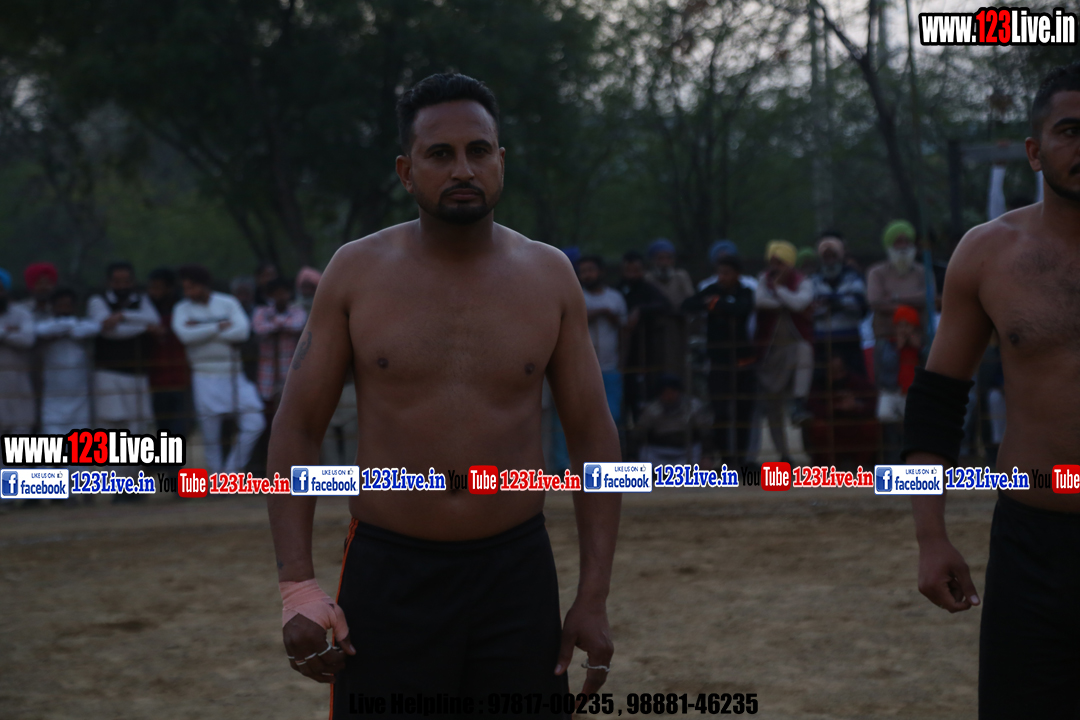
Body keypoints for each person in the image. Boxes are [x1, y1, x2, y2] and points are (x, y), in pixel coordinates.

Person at [266, 73, 620, 717]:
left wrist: (593, 596)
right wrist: (298, 588)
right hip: (390, 573)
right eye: (440, 153)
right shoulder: (355, 272)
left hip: (515, 574)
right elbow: (297, 428)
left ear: (500, 161)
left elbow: (594, 439)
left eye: (478, 151)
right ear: (407, 171)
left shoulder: (549, 276)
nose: (463, 169)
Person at [906, 62, 1080, 718]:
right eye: (1070, 131)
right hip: (1032, 544)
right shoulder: (988, 255)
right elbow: (936, 403)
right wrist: (930, 536)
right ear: (1035, 151)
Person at [172, 264, 265, 474]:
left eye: (191, 287)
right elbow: (185, 336)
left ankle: (230, 473)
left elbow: (242, 332)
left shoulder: (228, 303)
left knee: (255, 421)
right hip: (203, 374)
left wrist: (199, 329)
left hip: (233, 372)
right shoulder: (182, 308)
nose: (188, 292)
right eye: (185, 288)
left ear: (203, 285)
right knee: (210, 434)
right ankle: (216, 478)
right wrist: (218, 326)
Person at [682, 253, 755, 467]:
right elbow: (688, 304)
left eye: (726, 273)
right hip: (718, 362)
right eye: (719, 273)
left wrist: (715, 304)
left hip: (743, 362)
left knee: (743, 414)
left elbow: (741, 309)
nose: (721, 277)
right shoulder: (712, 289)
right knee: (720, 412)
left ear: (737, 274)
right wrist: (717, 303)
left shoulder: (746, 292)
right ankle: (726, 459)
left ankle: (741, 460)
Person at [754, 240, 814, 462]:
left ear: (790, 264)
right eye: (772, 262)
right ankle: (783, 454)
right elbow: (760, 301)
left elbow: (800, 304)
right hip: (770, 354)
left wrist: (778, 289)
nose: (775, 267)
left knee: (804, 350)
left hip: (794, 349)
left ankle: (799, 403)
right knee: (773, 407)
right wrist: (785, 300)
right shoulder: (763, 279)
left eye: (780, 262)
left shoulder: (802, 281)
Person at [87, 262, 160, 435]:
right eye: (117, 281)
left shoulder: (142, 300)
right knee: (109, 424)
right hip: (107, 373)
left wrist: (122, 316)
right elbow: (109, 331)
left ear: (133, 282)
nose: (122, 286)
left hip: (137, 374)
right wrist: (144, 327)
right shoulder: (97, 301)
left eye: (126, 281)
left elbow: (154, 320)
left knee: (138, 426)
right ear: (109, 282)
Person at [35, 288, 100, 434]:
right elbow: (42, 330)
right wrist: (67, 328)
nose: (64, 309)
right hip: (53, 395)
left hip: (79, 394)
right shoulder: (46, 325)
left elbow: (93, 328)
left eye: (68, 305)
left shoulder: (82, 324)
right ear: (53, 307)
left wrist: (67, 328)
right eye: (61, 305)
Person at [619, 250, 670, 424]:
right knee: (623, 398)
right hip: (620, 352)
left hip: (646, 350)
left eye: (636, 270)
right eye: (629, 270)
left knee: (644, 396)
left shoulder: (648, 288)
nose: (632, 275)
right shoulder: (618, 289)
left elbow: (665, 304)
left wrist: (641, 310)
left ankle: (644, 434)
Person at [802, 355, 878, 469]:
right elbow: (812, 407)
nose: (837, 376)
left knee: (871, 425)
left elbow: (873, 404)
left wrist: (856, 406)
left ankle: (862, 465)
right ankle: (828, 466)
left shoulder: (857, 382)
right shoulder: (819, 385)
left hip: (855, 426)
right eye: (832, 372)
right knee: (818, 427)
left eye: (839, 371)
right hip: (831, 429)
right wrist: (834, 406)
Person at [810, 233, 869, 378]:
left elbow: (859, 306)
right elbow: (810, 310)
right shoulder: (812, 280)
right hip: (821, 341)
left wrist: (830, 302)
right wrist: (842, 302)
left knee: (855, 379)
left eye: (833, 254)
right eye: (826, 255)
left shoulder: (855, 278)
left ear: (841, 254)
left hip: (850, 340)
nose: (830, 259)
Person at [866, 220, 934, 342]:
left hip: (920, 337)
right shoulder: (876, 273)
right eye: (898, 242)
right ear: (889, 245)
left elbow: (929, 297)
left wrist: (895, 298)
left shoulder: (923, 271)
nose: (903, 246)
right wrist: (912, 304)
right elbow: (875, 302)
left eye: (907, 241)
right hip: (886, 337)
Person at [578, 254, 627, 424]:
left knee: (613, 415)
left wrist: (622, 361)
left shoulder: (615, 297)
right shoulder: (577, 296)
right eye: (583, 271)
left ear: (601, 271)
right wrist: (602, 311)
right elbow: (576, 317)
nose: (587, 275)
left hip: (611, 366)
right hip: (583, 368)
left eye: (591, 270)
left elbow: (623, 327)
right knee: (585, 416)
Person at [874, 305, 927, 462]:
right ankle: (892, 453)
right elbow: (885, 367)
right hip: (891, 389)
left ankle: (909, 456)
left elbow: (929, 365)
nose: (904, 329)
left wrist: (919, 349)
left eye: (908, 325)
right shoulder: (886, 345)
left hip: (912, 391)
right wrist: (897, 348)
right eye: (900, 325)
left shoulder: (922, 343)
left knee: (911, 421)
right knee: (884, 415)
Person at [146, 267, 191, 439]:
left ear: (170, 288)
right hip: (156, 380)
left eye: (158, 287)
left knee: (181, 426)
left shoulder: (184, 310)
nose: (153, 292)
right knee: (162, 427)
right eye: (151, 287)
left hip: (182, 378)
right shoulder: (146, 311)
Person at [251, 277, 307, 409]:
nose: (280, 297)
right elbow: (258, 328)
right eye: (276, 293)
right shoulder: (261, 311)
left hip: (290, 366)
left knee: (291, 403)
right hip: (267, 368)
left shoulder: (298, 311)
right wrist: (282, 326)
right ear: (270, 296)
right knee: (268, 406)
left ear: (289, 294)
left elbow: (298, 325)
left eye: (283, 293)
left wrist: (273, 324)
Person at [634, 374, 712, 465]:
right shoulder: (651, 410)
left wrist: (706, 456)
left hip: (687, 450)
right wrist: (633, 457)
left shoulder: (693, 406)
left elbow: (706, 433)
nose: (669, 396)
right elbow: (639, 434)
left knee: (699, 456)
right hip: (659, 451)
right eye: (665, 393)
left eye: (673, 392)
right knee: (645, 455)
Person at [0, 268, 35, 445]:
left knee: (20, 435)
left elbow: (28, 339)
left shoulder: (21, 313)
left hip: (19, 384)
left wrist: (3, 334)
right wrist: (9, 331)